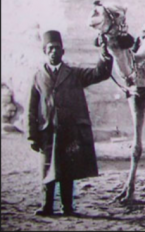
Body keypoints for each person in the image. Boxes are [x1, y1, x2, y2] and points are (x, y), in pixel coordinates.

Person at [27, 30, 113, 216]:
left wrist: (105, 54)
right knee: (47, 169)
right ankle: (47, 206)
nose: (54, 52)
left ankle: (67, 207)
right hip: (47, 131)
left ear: (63, 52)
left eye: (57, 48)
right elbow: (32, 109)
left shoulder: (74, 74)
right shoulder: (38, 77)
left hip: (69, 132)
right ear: (45, 51)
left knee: (67, 170)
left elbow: (100, 73)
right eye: (50, 49)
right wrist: (33, 135)